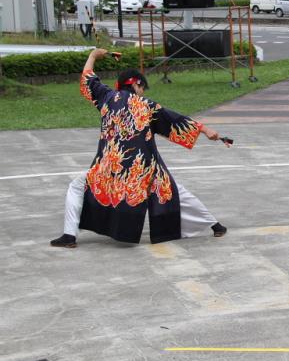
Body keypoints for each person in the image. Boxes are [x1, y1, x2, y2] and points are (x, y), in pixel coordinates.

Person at [50, 48, 229, 248]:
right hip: (143, 168)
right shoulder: (146, 105)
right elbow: (175, 120)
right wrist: (206, 130)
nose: (143, 92)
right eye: (142, 87)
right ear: (136, 84)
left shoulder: (107, 97)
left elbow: (88, 79)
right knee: (173, 191)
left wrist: (92, 55)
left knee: (77, 186)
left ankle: (69, 235)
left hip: (110, 169)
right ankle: (215, 225)